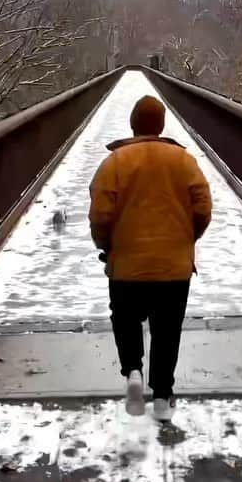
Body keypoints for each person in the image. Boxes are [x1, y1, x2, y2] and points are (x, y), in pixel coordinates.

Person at [88, 94, 212, 421]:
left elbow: (100, 213)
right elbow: (203, 208)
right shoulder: (184, 161)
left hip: (126, 265)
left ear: (133, 125)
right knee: (167, 330)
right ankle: (162, 398)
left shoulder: (115, 163)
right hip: (173, 266)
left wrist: (106, 245)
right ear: (161, 125)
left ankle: (132, 372)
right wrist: (188, 238)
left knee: (126, 319)